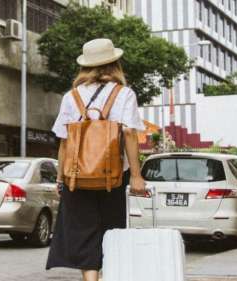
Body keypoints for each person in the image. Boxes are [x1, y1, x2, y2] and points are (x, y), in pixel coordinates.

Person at [46, 38, 147, 281]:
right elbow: (130, 133)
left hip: (77, 176)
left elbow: (64, 140)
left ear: (85, 66)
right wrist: (135, 175)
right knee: (110, 230)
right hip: (112, 176)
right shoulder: (124, 94)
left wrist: (60, 177)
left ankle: (90, 279)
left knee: (83, 231)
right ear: (114, 64)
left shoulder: (71, 96)